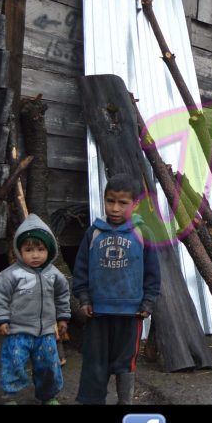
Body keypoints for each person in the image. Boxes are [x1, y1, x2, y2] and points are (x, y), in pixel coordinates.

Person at [72, 173, 162, 405]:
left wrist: (148, 302)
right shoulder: (94, 233)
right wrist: (84, 298)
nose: (115, 208)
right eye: (110, 201)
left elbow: (153, 274)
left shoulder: (143, 234)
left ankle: (125, 402)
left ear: (136, 204)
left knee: (125, 361)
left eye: (123, 203)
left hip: (130, 313)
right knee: (94, 360)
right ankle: (91, 402)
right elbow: (80, 269)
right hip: (98, 312)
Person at [0, 215, 70, 405]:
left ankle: (48, 396)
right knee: (14, 364)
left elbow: (62, 296)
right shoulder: (10, 275)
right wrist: (2, 320)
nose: (35, 255)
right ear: (19, 251)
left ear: (49, 250)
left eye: (40, 249)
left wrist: (62, 318)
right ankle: (10, 398)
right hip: (18, 331)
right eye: (29, 250)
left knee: (49, 366)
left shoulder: (54, 274)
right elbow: (0, 298)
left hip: (46, 333)